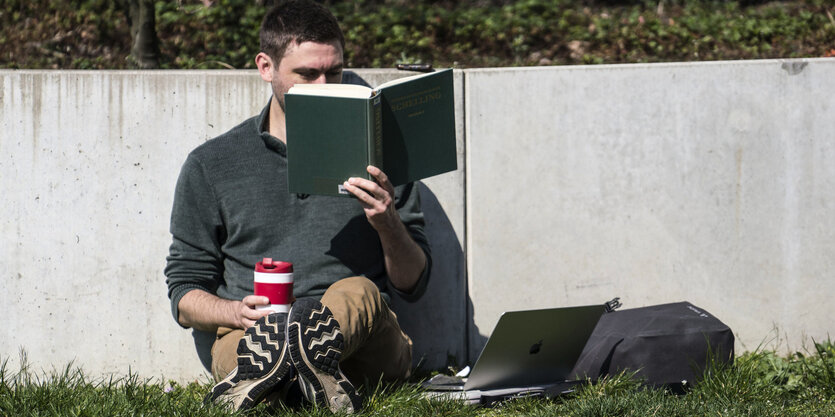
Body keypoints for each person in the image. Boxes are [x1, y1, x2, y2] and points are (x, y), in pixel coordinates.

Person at [164, 0, 431, 413]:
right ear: (266, 67)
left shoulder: (379, 151)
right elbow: (184, 291)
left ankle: (290, 368)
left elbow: (413, 284)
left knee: (356, 290)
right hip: (254, 333)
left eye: (334, 72)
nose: (323, 87)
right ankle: (289, 372)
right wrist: (233, 311)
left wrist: (388, 223)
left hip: (364, 347)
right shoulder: (212, 164)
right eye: (307, 74)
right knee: (252, 342)